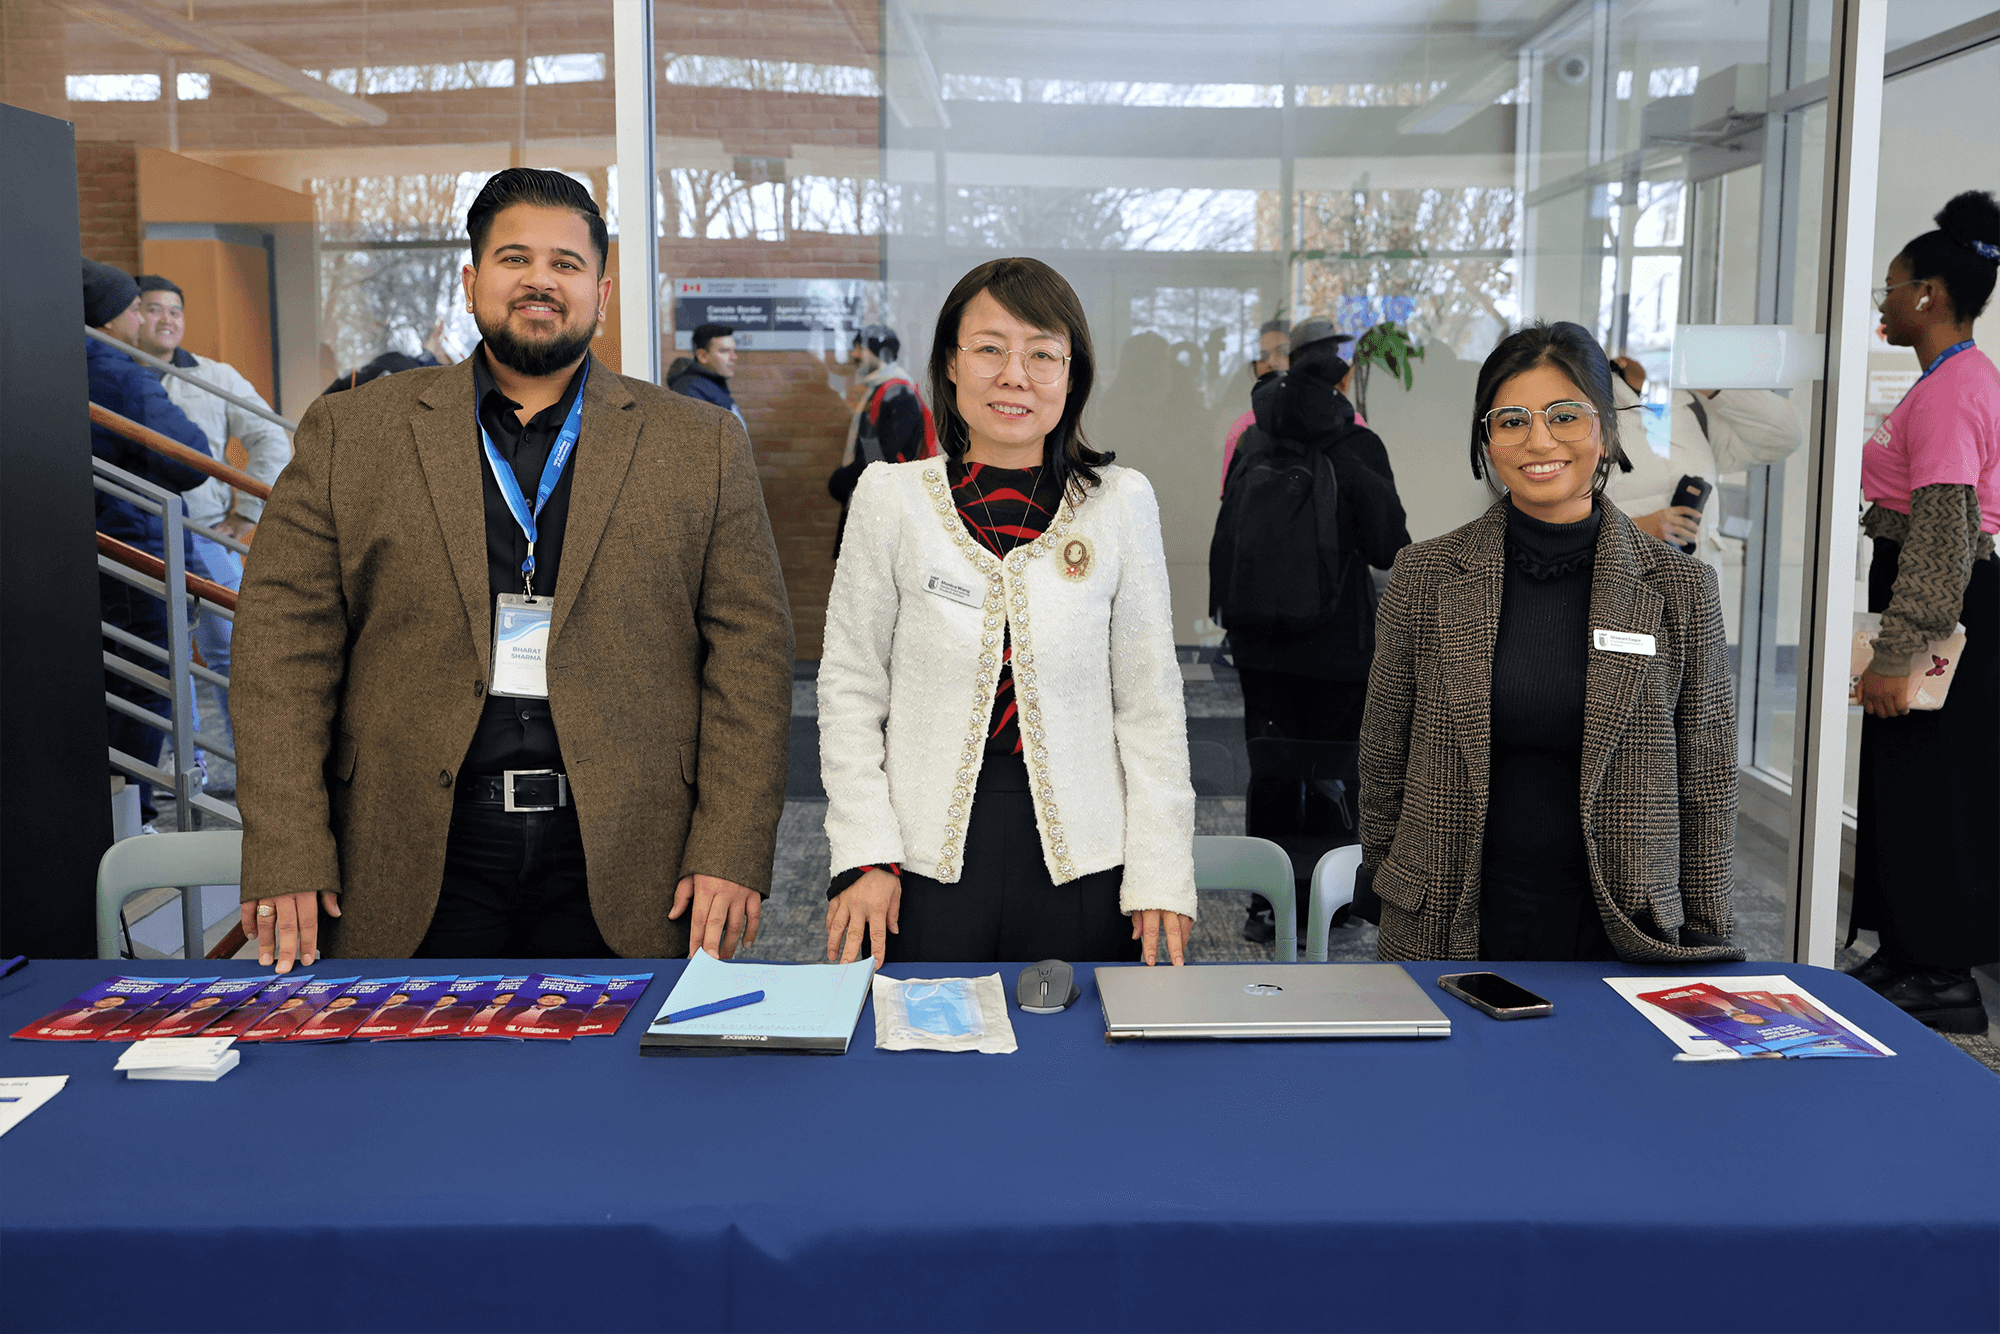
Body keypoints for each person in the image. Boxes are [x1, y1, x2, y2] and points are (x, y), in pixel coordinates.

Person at [231, 168, 794, 972]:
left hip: (633, 853)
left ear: (601, 293)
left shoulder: (698, 444)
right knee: (411, 1089)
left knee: (624, 1091)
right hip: (407, 851)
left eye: (566, 264)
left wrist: (733, 846)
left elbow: (751, 659)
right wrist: (286, 844)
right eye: (513, 259)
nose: (539, 280)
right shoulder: (355, 434)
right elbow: (279, 653)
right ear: (471, 283)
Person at [818, 256, 1198, 968]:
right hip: (919, 859)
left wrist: (1160, 871)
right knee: (919, 1059)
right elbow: (848, 688)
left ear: (1072, 374)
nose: (1014, 374)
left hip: (1087, 857)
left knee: (1081, 1064)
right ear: (950, 366)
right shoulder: (889, 498)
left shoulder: (1119, 503)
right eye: (989, 348)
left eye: (1042, 354)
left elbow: (1150, 704)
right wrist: (864, 853)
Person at [1359, 320, 1742, 964]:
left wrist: (1706, 920)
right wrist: (1384, 875)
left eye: (1565, 415)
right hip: (1447, 912)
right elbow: (1384, 751)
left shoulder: (1680, 588)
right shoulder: (1425, 576)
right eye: (1510, 421)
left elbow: (1705, 775)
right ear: (1486, 441)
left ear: (1606, 432)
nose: (1538, 440)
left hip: (1626, 922)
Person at [1847, 191, 2000, 1033]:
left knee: (1937, 790)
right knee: (1910, 785)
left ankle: (1940, 975)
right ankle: (1907, 953)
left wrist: (1899, 652)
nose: (1885, 299)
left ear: (1931, 295)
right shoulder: (1953, 380)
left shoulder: (1950, 392)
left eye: (1893, 284)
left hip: (1943, 599)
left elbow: (1946, 535)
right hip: (1939, 592)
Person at [133, 274, 294, 768]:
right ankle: (191, 768)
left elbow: (271, 437)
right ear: (133, 316)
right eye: (154, 309)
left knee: (236, 653)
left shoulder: (214, 376)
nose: (166, 320)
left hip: (206, 533)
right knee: (167, 655)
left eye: (175, 311)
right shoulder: (114, 373)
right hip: (136, 534)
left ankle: (252, 770)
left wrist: (244, 514)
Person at [83, 260, 216, 825]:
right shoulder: (116, 372)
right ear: (110, 319)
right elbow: (189, 455)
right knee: (149, 689)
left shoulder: (69, 364)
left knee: (127, 684)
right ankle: (129, 817)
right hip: (140, 551)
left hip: (112, 550)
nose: (144, 315)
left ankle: (126, 813)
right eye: (135, 306)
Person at [1602, 355, 1804, 552]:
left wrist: (1712, 384)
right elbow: (1573, 517)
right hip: (1627, 577)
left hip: (1698, 579)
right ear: (1620, 355)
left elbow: (1786, 434)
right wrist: (1639, 527)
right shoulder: (1593, 409)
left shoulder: (1695, 407)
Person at [827, 323, 937, 558]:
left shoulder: (897, 395)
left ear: (881, 352)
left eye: (860, 348)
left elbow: (880, 457)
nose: (854, 355)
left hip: (882, 512)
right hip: (873, 506)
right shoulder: (880, 390)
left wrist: (841, 481)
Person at [666, 322, 745, 430]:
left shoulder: (713, 383)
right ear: (703, 356)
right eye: (725, 351)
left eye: (733, 351)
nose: (734, 357)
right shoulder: (688, 392)